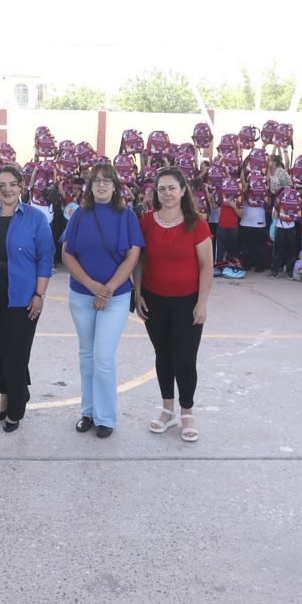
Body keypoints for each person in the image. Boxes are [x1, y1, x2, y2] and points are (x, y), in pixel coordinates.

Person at [0, 163, 53, 431]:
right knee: (1, 350)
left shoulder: (36, 218)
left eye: (12, 184)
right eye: (1, 185)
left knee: (15, 353)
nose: (7, 190)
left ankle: (16, 408)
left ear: (21, 186)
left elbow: (45, 258)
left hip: (23, 297)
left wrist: (39, 294)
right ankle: (7, 397)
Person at [61, 162, 143, 438]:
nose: (102, 185)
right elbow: (67, 253)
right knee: (87, 355)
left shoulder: (126, 216)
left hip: (115, 297)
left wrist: (107, 289)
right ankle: (88, 411)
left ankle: (106, 417)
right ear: (90, 186)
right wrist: (91, 285)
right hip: (82, 295)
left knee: (103, 357)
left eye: (107, 180)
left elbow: (133, 255)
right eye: (96, 180)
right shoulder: (79, 215)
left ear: (115, 186)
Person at [134, 167, 213, 443]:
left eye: (171, 188)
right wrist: (137, 292)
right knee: (163, 355)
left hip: (187, 302)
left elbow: (206, 266)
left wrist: (201, 302)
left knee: (185, 359)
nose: (167, 193)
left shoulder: (196, 223)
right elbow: (140, 260)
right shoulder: (146, 221)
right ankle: (167, 409)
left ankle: (187, 412)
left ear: (182, 190)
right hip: (154, 300)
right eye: (161, 189)